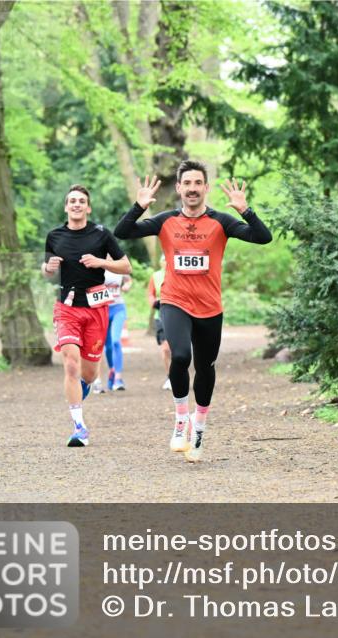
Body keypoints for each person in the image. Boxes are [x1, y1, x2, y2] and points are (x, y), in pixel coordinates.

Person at [115, 160, 272, 462]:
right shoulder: (164, 221)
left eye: (197, 183)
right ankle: (180, 419)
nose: (192, 189)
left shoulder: (221, 222)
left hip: (210, 308)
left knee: (205, 368)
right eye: (186, 183)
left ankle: (199, 426)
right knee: (181, 356)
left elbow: (263, 237)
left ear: (205, 188)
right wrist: (138, 206)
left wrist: (245, 210)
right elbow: (122, 232)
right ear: (179, 188)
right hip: (174, 301)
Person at [43, 185, 131, 447]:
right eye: (72, 201)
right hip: (66, 308)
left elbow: (126, 266)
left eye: (81, 201)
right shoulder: (54, 235)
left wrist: (101, 262)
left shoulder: (101, 234)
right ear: (66, 207)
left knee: (90, 374)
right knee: (71, 363)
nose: (77, 204)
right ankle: (79, 427)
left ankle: (85, 387)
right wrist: (48, 267)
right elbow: (47, 270)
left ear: (88, 207)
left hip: (96, 309)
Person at [92, 265, 132, 393]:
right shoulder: (95, 265)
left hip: (118, 308)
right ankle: (107, 374)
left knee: (115, 341)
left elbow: (128, 279)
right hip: (101, 310)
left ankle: (118, 380)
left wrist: (127, 286)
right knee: (104, 346)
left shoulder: (118, 264)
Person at [146, 255, 172, 390]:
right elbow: (150, 293)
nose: (166, 262)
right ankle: (170, 377)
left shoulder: (178, 272)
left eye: (168, 259)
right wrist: (153, 302)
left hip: (178, 315)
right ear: (161, 262)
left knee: (178, 350)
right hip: (161, 315)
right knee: (166, 348)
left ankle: (179, 375)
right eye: (164, 260)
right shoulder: (156, 276)